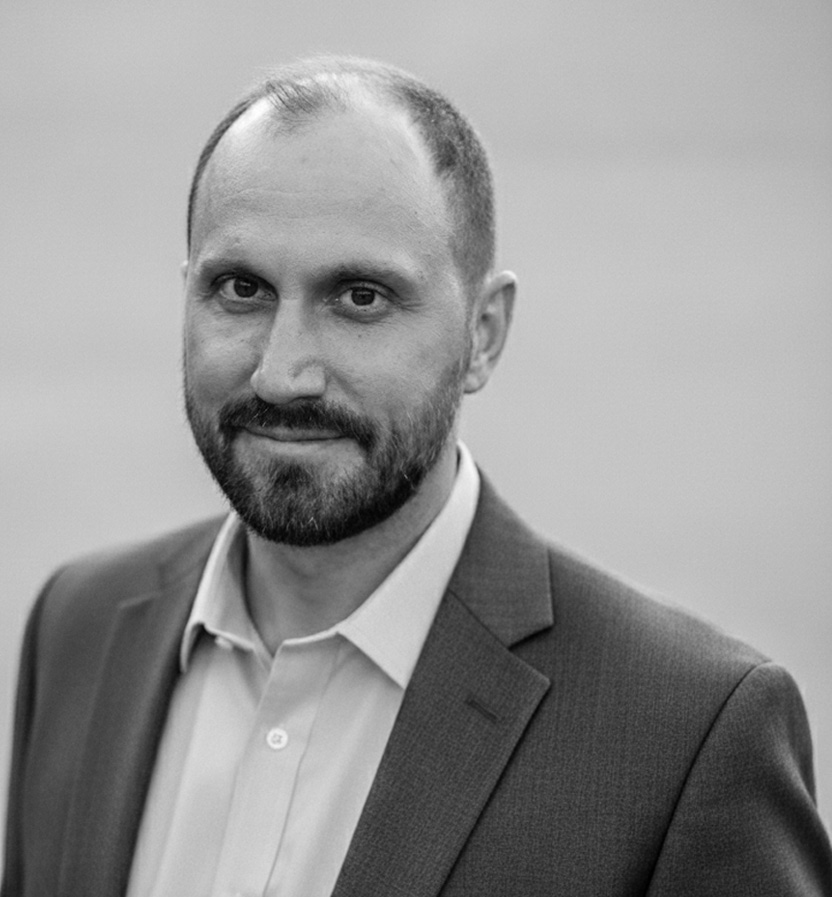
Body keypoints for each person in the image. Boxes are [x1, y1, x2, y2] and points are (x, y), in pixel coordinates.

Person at [2, 56, 830, 897]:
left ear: (484, 333)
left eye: (360, 297)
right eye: (241, 288)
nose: (283, 374)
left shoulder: (686, 736)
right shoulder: (80, 628)